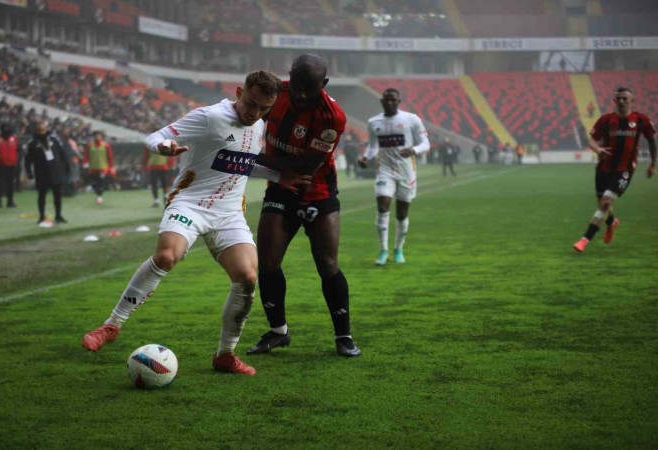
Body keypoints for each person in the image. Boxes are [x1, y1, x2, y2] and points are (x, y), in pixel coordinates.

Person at [81, 70, 311, 376]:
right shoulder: (209, 117)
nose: (254, 113)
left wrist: (279, 177)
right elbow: (153, 137)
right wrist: (163, 147)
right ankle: (111, 326)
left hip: (229, 212)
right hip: (190, 203)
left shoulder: (258, 126)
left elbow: (243, 164)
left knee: (247, 276)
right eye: (251, 104)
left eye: (263, 109)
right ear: (239, 92)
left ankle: (225, 355)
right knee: (167, 256)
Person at [247, 54, 361, 358]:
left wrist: (252, 159)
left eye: (309, 89)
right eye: (297, 85)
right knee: (267, 261)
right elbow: (249, 121)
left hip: (319, 193)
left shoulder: (331, 116)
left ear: (324, 84)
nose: (300, 94)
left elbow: (307, 165)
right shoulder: (277, 93)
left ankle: (344, 336)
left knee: (327, 264)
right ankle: (278, 332)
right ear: (289, 76)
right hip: (280, 189)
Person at [573, 87, 656, 252]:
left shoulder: (641, 120)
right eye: (618, 98)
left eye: (625, 98)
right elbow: (592, 140)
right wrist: (598, 149)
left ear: (632, 100)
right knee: (603, 206)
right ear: (614, 101)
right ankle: (611, 223)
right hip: (603, 168)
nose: (621, 101)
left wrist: (653, 164)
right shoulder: (605, 120)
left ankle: (584, 240)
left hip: (625, 170)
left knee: (605, 204)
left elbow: (652, 141)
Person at [358, 87, 430, 266]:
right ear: (382, 101)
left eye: (393, 100)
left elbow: (425, 144)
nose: (389, 102)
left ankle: (398, 248)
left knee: (401, 213)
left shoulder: (411, 119)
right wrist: (366, 157)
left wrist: (413, 150)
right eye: (387, 100)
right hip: (385, 170)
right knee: (383, 206)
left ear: (399, 102)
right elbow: (373, 145)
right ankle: (383, 250)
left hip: (407, 171)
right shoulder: (374, 122)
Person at [24, 121, 70, 224]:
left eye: (43, 129)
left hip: (55, 171)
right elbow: (28, 160)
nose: (42, 132)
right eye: (39, 130)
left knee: (57, 194)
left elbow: (62, 153)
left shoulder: (53, 140)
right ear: (36, 131)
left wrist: (66, 166)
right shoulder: (32, 143)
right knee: (42, 195)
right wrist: (29, 172)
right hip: (41, 172)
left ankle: (58, 215)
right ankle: (41, 216)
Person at [83, 131, 115, 205]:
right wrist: (85, 162)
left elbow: (110, 156)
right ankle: (98, 195)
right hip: (93, 168)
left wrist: (111, 167)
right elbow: (86, 155)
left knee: (101, 182)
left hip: (103, 168)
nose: (97, 137)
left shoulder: (106, 145)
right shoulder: (90, 146)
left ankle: (99, 196)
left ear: (101, 137)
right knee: (94, 183)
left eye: (99, 136)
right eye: (96, 136)